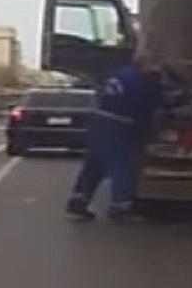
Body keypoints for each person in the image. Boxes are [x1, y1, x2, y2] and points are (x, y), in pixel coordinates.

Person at [65, 56, 162, 221]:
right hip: (117, 125)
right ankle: (120, 207)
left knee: (95, 164)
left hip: (98, 122)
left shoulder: (119, 75)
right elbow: (147, 107)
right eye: (155, 67)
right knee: (123, 164)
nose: (157, 70)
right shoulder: (141, 81)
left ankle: (78, 201)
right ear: (145, 66)